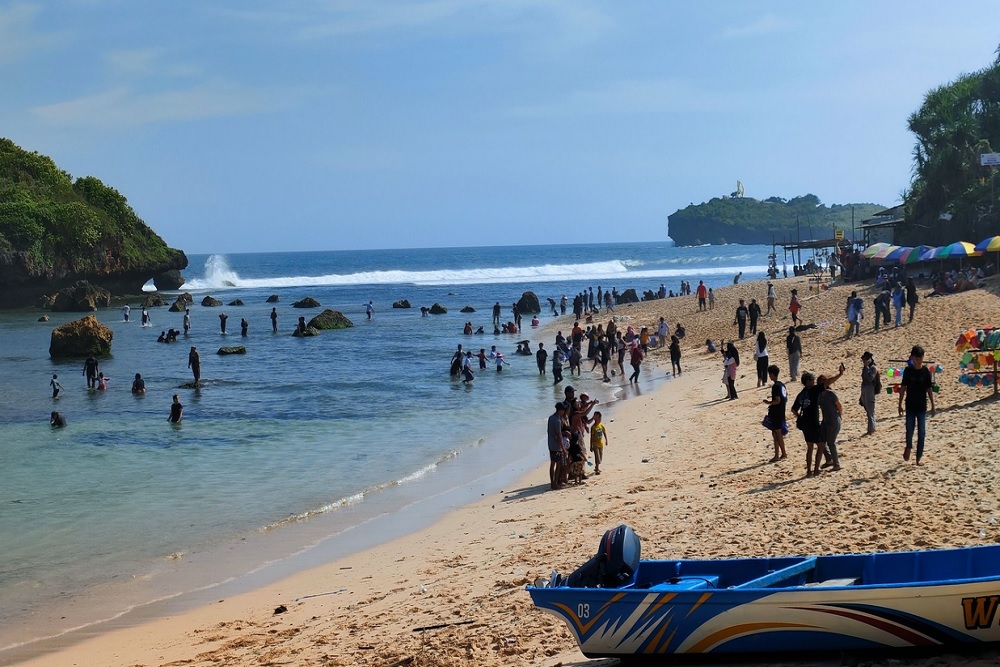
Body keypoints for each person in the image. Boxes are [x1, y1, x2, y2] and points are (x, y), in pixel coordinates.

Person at [898, 345, 935, 465]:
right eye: (917, 358)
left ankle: (918, 458)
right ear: (912, 357)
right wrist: (900, 404)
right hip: (910, 406)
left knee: (922, 433)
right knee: (909, 430)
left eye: (921, 358)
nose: (919, 360)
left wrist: (933, 405)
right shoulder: (908, 371)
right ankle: (908, 447)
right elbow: (903, 388)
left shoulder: (925, 371)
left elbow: (929, 389)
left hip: (922, 406)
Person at [817, 374, 844, 471]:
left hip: (833, 420)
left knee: (831, 442)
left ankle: (836, 464)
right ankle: (829, 459)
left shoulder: (831, 394)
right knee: (820, 440)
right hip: (825, 421)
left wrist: (840, 416)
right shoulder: (819, 396)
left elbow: (839, 406)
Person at [763, 365, 787, 462]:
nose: (769, 376)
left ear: (772, 374)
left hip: (777, 413)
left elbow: (777, 400)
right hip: (781, 412)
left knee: (777, 434)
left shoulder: (776, 386)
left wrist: (769, 402)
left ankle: (783, 453)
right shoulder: (782, 385)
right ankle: (777, 454)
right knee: (775, 433)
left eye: (770, 374)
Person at [547, 403, 567, 489]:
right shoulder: (558, 420)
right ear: (560, 410)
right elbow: (559, 435)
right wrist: (563, 448)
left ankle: (552, 482)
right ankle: (555, 483)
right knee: (558, 464)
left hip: (550, 443)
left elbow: (549, 431)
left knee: (552, 464)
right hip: (556, 445)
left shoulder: (551, 418)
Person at [860, 351, 879, 435]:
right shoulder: (865, 367)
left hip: (870, 390)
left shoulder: (873, 368)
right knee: (867, 409)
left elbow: (870, 378)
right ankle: (871, 427)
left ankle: (871, 429)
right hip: (864, 389)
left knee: (870, 410)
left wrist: (867, 367)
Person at [590, 410, 608, 475]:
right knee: (597, 457)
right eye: (599, 418)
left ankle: (597, 467)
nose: (600, 419)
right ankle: (597, 469)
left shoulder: (601, 425)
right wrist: (591, 445)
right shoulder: (593, 427)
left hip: (601, 443)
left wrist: (606, 440)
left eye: (600, 417)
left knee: (600, 458)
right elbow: (591, 437)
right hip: (595, 444)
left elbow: (604, 432)